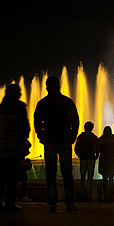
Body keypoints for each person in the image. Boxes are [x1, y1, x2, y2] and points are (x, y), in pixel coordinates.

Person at [34, 76, 79, 212]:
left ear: (47, 87)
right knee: (67, 174)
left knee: (51, 174)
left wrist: (41, 136)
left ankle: (52, 203)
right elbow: (75, 121)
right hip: (64, 140)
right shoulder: (67, 102)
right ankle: (69, 203)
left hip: (51, 141)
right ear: (59, 86)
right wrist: (72, 137)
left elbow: (37, 122)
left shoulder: (43, 103)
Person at [0, 84, 31, 212]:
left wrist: (2, 133)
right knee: (13, 173)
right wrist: (25, 136)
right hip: (15, 142)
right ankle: (10, 202)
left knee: (3, 173)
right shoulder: (20, 106)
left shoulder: (2, 107)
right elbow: (25, 124)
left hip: (3, 142)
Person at [75, 121, 99, 202]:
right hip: (91, 159)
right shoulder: (93, 137)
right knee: (90, 178)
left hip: (83, 159)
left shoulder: (81, 137)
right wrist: (95, 156)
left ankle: (80, 195)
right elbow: (97, 148)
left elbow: (76, 148)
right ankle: (88, 195)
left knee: (82, 177)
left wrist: (80, 156)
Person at [98, 126, 114, 202]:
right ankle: (111, 196)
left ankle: (105, 195)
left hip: (103, 160)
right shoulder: (113, 140)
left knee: (104, 179)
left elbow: (99, 150)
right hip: (111, 160)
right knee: (111, 179)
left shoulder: (100, 140)